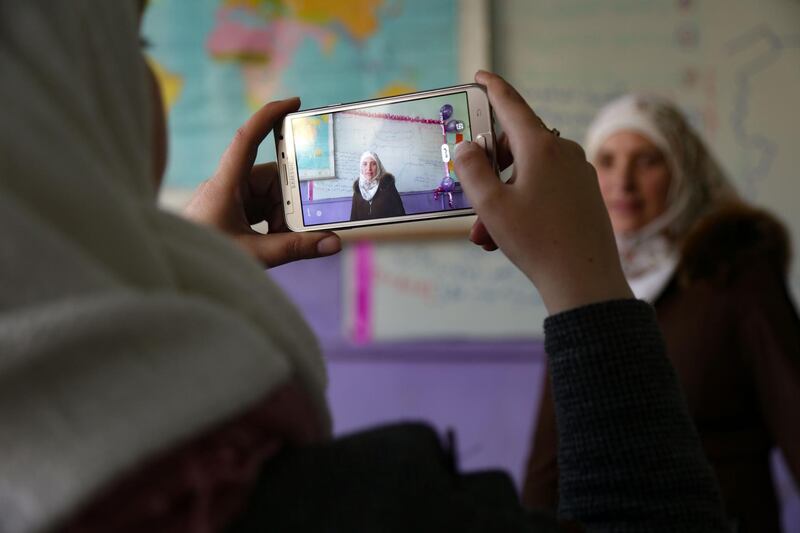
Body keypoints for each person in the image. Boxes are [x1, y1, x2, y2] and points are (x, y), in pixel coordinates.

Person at [1, 2, 730, 532]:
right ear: (62, 93)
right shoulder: (328, 504)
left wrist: (192, 271)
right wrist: (588, 285)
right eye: (137, 43)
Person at [522, 94, 800, 532]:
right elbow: (549, 448)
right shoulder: (585, 273)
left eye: (647, 160)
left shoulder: (736, 271)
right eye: (607, 161)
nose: (623, 182)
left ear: (683, 171)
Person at [349, 151, 406, 221]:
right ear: (361, 167)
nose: (368, 168)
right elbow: (353, 220)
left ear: (378, 166)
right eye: (365, 164)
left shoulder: (388, 187)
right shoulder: (357, 191)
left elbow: (401, 216)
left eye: (373, 164)